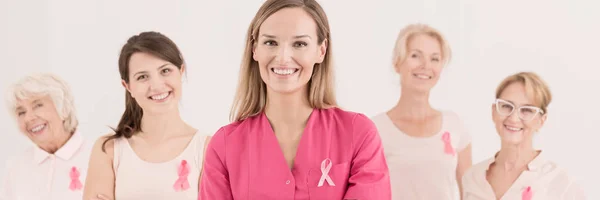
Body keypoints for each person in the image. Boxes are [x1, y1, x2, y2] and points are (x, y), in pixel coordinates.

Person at [199, 0, 392, 199]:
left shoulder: (358, 134)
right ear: (254, 49)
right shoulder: (223, 147)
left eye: (299, 44)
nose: (283, 57)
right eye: (270, 42)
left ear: (321, 50)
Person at [82, 31, 211, 200]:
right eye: (142, 77)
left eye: (165, 71)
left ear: (181, 71)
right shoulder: (109, 150)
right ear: (127, 86)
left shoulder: (208, 148)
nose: (156, 85)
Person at [370, 23, 472, 200]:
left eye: (435, 58)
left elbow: (471, 193)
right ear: (397, 63)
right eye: (415, 56)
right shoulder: (375, 130)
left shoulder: (454, 125)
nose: (426, 66)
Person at [461, 72, 585, 200]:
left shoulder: (560, 183)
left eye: (527, 110)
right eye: (506, 106)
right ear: (494, 111)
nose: (514, 118)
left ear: (541, 120)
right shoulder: (472, 177)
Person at [0, 73, 91, 200]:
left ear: (63, 108)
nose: (28, 118)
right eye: (21, 112)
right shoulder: (15, 167)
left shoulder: (99, 156)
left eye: (37, 105)